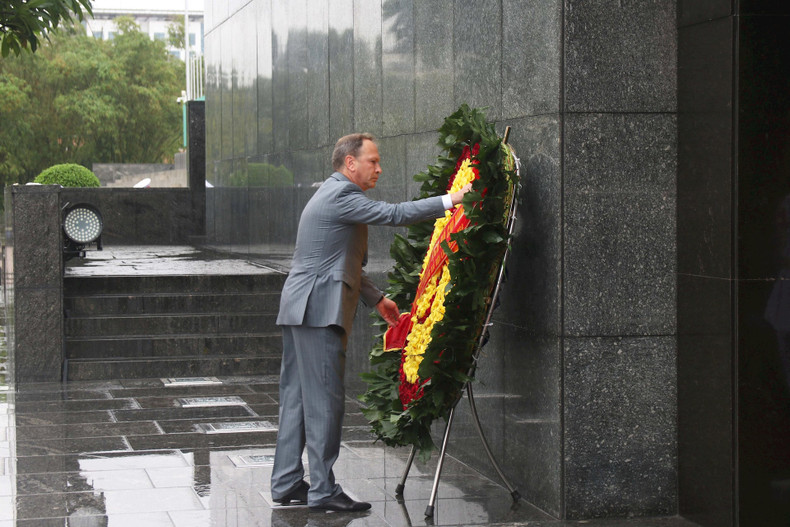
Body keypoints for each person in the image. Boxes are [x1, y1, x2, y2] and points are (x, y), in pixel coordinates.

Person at [271, 133, 471, 512]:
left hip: (302, 307)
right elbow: (395, 215)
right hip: (317, 310)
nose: (379, 168)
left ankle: (286, 482)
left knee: (297, 398)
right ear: (350, 163)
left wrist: (377, 299)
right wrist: (454, 200)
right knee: (325, 402)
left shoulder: (330, 194)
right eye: (372, 161)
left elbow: (334, 258)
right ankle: (323, 490)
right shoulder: (344, 196)